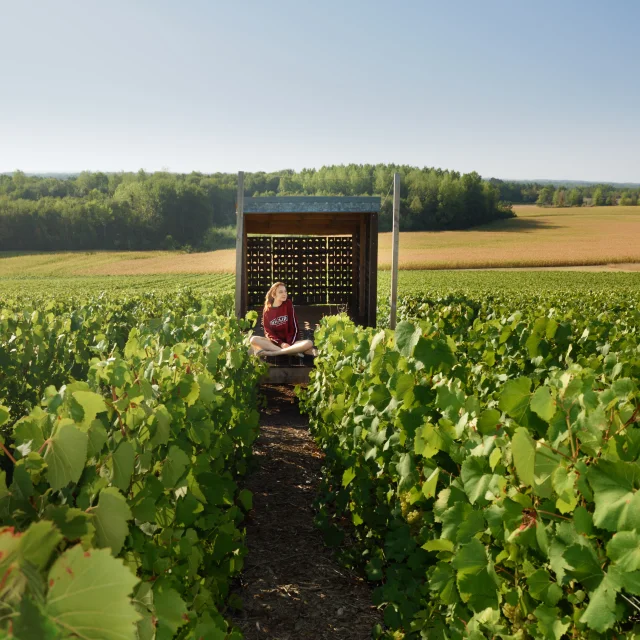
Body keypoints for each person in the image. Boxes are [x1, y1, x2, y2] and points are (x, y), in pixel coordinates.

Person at [250, 282, 316, 358]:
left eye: (285, 291)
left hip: (292, 343)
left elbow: (294, 326)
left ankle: (274, 353)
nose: (284, 294)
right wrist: (281, 344)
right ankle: (291, 352)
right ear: (274, 295)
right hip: (275, 344)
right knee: (253, 339)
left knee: (309, 343)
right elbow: (268, 332)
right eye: (281, 292)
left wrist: (290, 344)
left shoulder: (288, 304)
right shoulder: (267, 311)